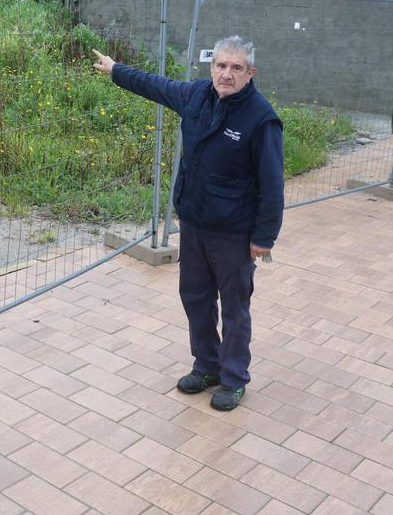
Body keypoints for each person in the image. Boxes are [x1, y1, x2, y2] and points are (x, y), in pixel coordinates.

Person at [91, 36, 284, 411]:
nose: (226, 74)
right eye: (220, 65)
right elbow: (154, 85)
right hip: (194, 224)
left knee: (234, 307)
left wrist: (264, 237)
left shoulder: (261, 118)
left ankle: (233, 378)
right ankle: (207, 365)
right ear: (211, 67)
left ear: (250, 73)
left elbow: (272, 184)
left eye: (236, 68)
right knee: (195, 298)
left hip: (233, 232)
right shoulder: (196, 96)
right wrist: (116, 70)